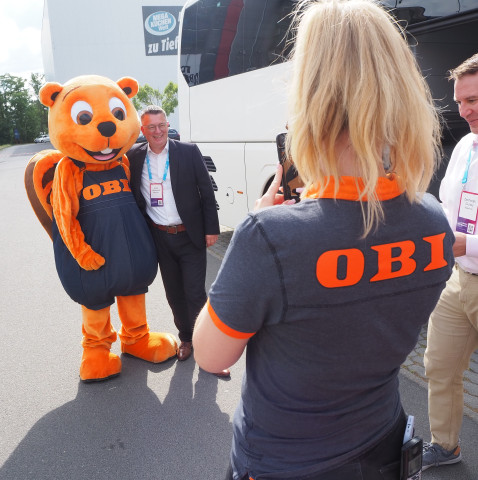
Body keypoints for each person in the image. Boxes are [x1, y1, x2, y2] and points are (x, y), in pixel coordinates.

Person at [192, 1, 455, 478]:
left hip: (285, 459)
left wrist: (254, 229)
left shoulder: (270, 238)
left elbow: (211, 356)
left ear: (311, 96)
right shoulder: (433, 220)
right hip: (382, 443)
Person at [128, 105, 228, 377]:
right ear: (142, 130)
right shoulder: (134, 157)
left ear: (168, 125)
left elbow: (206, 191)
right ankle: (186, 338)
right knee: (174, 294)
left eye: (162, 125)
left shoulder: (188, 151)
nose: (158, 131)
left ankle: (209, 346)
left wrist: (211, 229)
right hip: (158, 237)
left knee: (195, 292)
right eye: (151, 127)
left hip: (190, 234)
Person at [422, 53, 478, 471]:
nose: (465, 110)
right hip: (457, 279)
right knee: (439, 365)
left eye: (474, 99)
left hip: (465, 256)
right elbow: (445, 205)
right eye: (460, 101)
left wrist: (465, 244)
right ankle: (446, 446)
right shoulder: (463, 145)